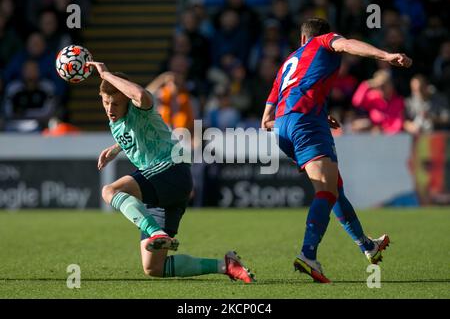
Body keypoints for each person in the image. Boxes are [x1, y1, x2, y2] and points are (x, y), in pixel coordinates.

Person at [260, 18, 412, 283]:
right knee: (327, 191)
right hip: (305, 123)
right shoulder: (323, 41)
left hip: (284, 127)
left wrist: (315, 115)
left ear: (301, 39)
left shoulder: (286, 65)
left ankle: (367, 246)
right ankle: (308, 255)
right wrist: (385, 55)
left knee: (334, 189)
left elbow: (265, 121)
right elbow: (348, 45)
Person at [87, 61, 254, 283]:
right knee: (154, 267)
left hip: (171, 169)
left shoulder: (140, 108)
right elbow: (138, 134)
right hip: (164, 189)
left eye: (116, 103)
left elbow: (139, 94)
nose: (110, 109)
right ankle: (226, 266)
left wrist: (106, 74)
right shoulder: (117, 120)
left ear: (127, 100)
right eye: (106, 102)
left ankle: (156, 232)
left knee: (109, 191)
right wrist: (117, 148)